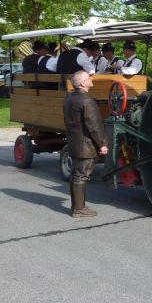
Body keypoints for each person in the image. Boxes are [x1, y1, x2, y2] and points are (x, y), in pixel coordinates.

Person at [63, 70, 108, 217]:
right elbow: (94, 126)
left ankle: (77, 207)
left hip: (74, 142)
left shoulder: (69, 98)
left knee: (76, 174)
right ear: (83, 83)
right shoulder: (87, 101)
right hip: (86, 145)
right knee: (81, 175)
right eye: (89, 77)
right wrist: (102, 144)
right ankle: (79, 209)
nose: (91, 78)